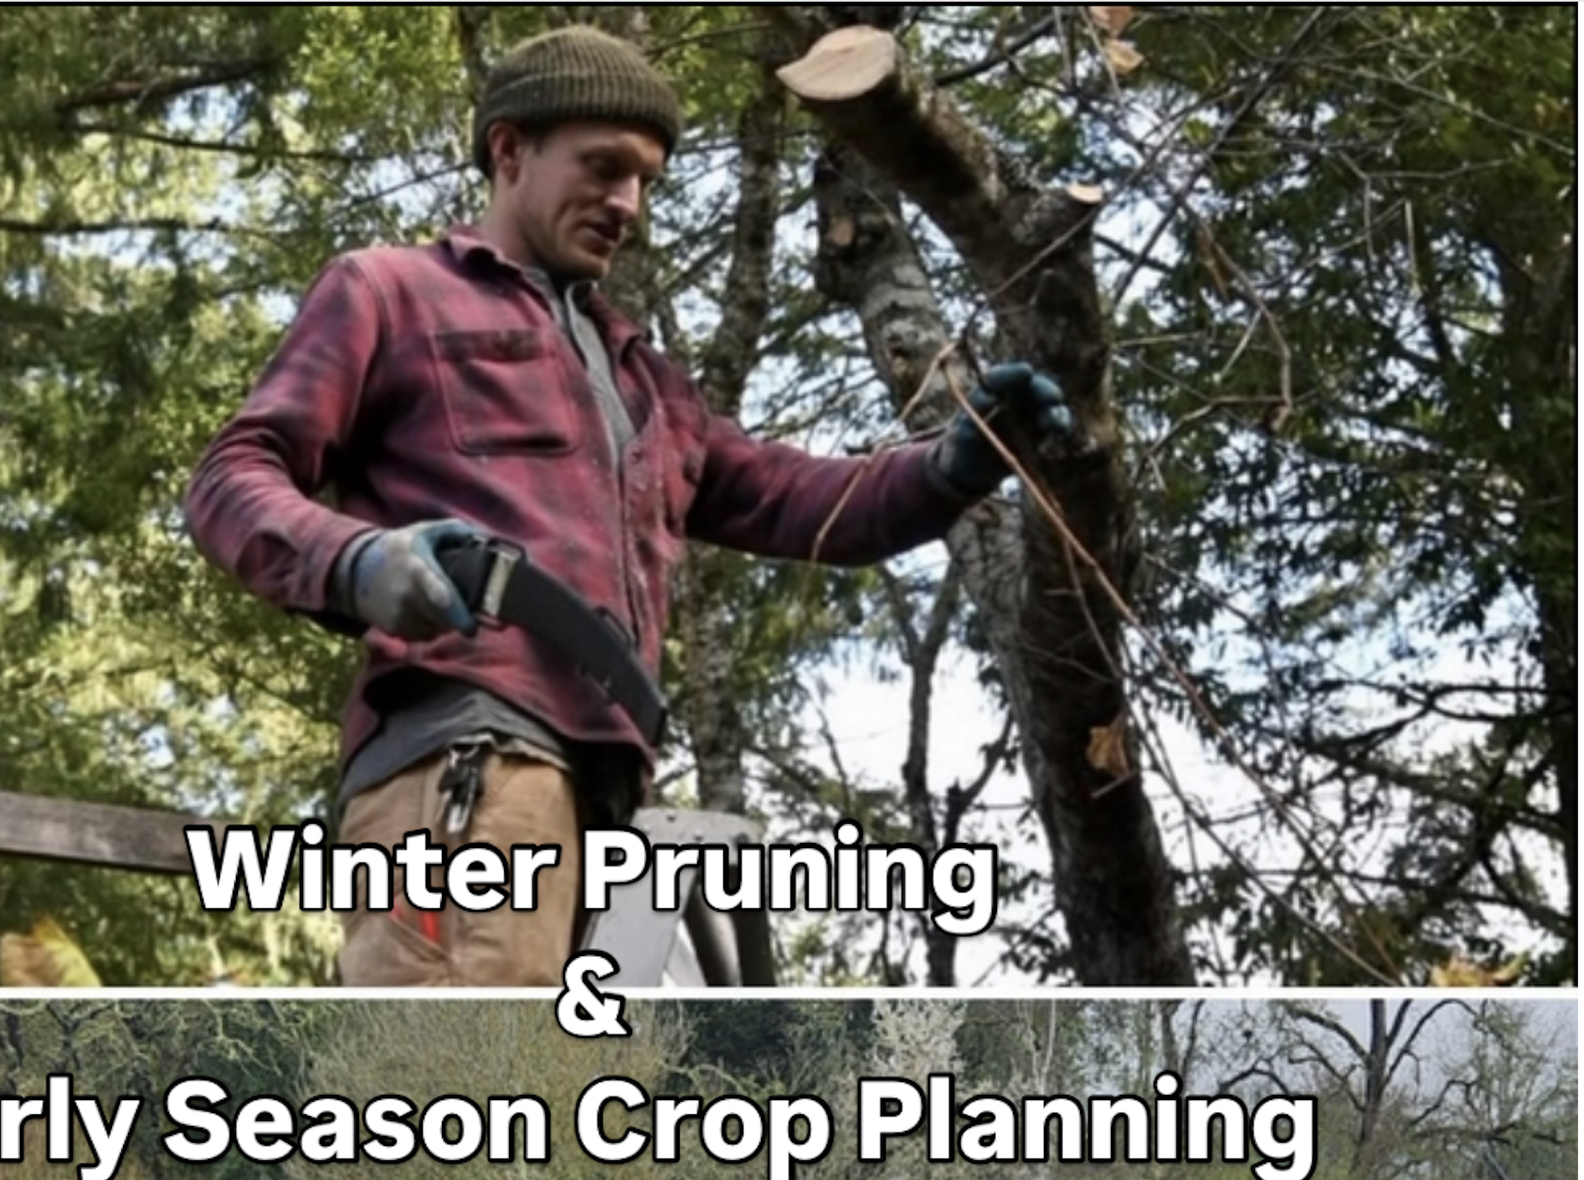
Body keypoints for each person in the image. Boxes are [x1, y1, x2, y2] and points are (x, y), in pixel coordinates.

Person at [182, 23, 1071, 986]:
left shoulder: (649, 386)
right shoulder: (391, 292)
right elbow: (233, 476)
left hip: (612, 803)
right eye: (603, 167)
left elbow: (809, 502)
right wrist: (356, 562)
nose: (627, 204)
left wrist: (956, 461)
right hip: (466, 760)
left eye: (645, 179)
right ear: (509, 150)